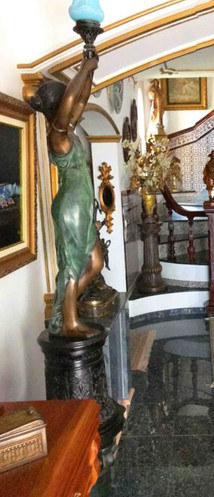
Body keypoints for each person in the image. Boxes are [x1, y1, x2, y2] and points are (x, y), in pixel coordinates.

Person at [28, 55, 105, 336]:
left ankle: (63, 308)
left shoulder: (69, 130)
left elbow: (80, 98)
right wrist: (84, 68)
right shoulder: (57, 136)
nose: (71, 108)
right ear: (58, 107)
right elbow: (72, 99)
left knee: (96, 264)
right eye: (64, 105)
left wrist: (90, 69)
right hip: (71, 206)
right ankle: (70, 321)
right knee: (73, 265)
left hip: (80, 204)